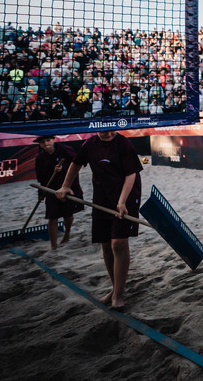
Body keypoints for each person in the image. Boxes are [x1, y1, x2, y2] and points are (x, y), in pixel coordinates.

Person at [56, 130, 141, 310]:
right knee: (105, 244)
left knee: (118, 243)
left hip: (126, 195)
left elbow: (131, 174)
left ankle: (118, 294)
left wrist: (122, 201)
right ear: (96, 128)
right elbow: (76, 164)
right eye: (104, 130)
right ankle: (115, 287)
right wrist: (65, 186)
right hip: (102, 196)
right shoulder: (90, 144)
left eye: (112, 129)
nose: (109, 133)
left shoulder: (124, 143)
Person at [32, 134, 84, 249]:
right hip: (52, 189)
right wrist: (41, 194)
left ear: (54, 140)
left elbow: (77, 163)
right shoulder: (40, 158)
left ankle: (67, 233)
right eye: (42, 142)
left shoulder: (65, 150)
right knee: (52, 217)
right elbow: (41, 178)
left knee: (68, 215)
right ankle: (53, 246)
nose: (46, 144)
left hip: (69, 187)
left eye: (48, 140)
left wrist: (63, 168)